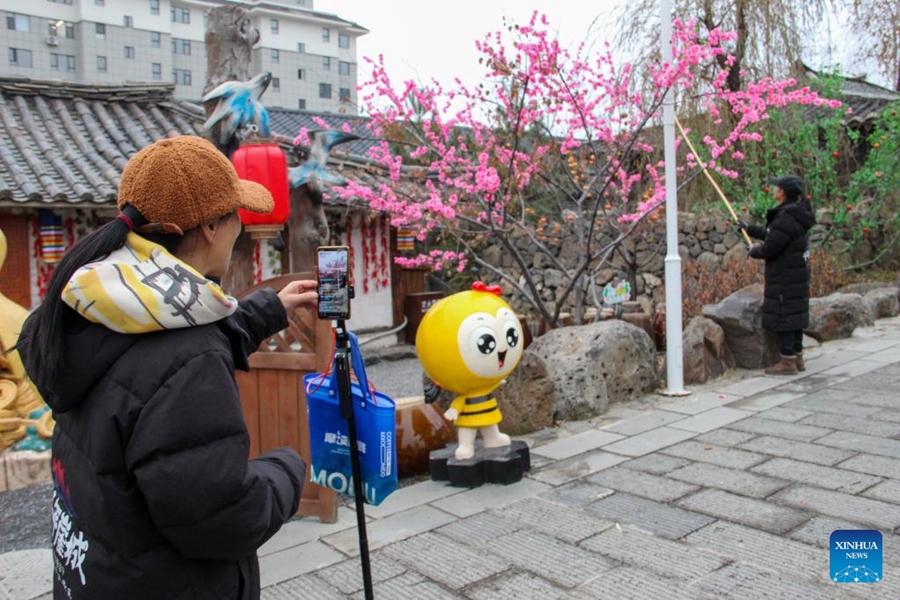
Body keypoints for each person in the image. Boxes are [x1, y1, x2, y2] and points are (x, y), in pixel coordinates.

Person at [18, 136, 317, 600]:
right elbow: (220, 518)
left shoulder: (99, 303)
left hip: (100, 572)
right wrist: (287, 468)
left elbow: (158, 350)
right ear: (210, 229)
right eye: (235, 213)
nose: (241, 225)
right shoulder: (189, 358)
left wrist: (267, 310)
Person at [738, 174, 816, 375]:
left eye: (777, 187)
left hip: (784, 275)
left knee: (785, 316)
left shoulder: (786, 217)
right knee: (796, 314)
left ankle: (787, 360)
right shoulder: (796, 213)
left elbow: (772, 246)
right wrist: (750, 229)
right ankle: (797, 357)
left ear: (782, 192)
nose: (774, 190)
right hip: (796, 274)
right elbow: (775, 234)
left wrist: (755, 251)